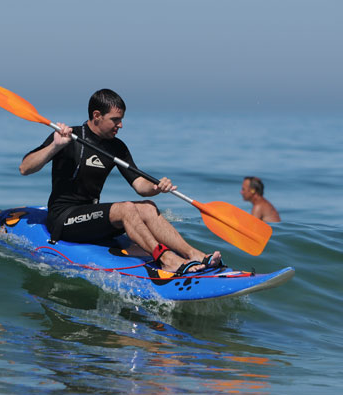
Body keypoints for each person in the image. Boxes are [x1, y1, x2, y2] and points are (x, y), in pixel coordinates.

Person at [19, 88, 221, 275]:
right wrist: (55, 146)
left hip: (91, 215)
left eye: (121, 119)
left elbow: (139, 185)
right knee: (125, 209)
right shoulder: (68, 136)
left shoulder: (117, 147)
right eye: (115, 120)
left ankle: (194, 254)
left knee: (148, 207)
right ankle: (167, 259)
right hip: (64, 219)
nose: (121, 125)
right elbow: (25, 168)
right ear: (97, 116)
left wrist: (156, 187)